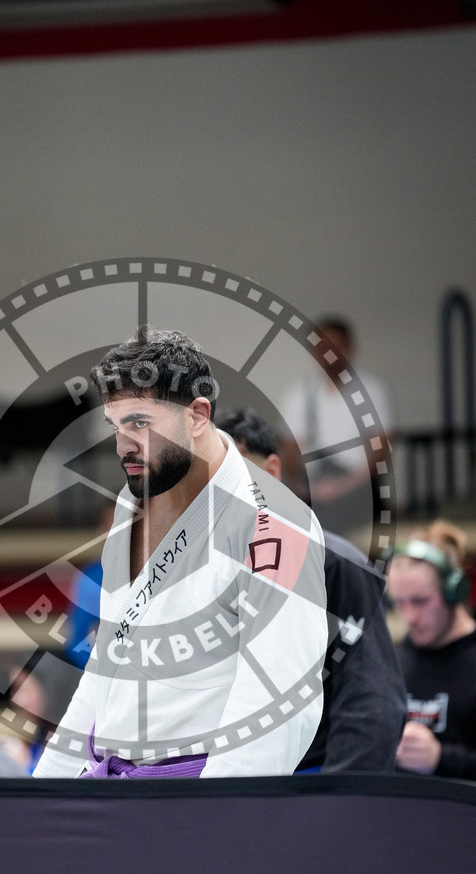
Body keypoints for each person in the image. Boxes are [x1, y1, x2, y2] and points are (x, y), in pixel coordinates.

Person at [33, 326, 327, 779]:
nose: (122, 446)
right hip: (110, 799)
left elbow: (280, 703)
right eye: (115, 426)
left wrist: (208, 823)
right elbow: (105, 669)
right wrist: (47, 793)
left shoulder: (276, 523)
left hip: (195, 805)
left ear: (197, 415)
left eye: (139, 423)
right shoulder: (131, 505)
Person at [217, 408, 406, 773]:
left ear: (271, 471)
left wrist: (337, 810)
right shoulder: (195, 572)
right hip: (221, 788)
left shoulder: (334, 564)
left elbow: (370, 704)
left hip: (310, 785)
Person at [386, 520, 476, 781]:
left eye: (420, 601)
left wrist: (441, 758)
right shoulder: (396, 661)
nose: (410, 617)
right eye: (399, 603)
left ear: (454, 591)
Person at [280, 316, 393, 537]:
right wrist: (301, 486)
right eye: (322, 346)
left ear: (349, 348)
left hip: (360, 486)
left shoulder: (372, 389)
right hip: (317, 488)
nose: (328, 353)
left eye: (335, 345)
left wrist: (343, 486)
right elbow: (290, 447)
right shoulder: (300, 394)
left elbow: (381, 448)